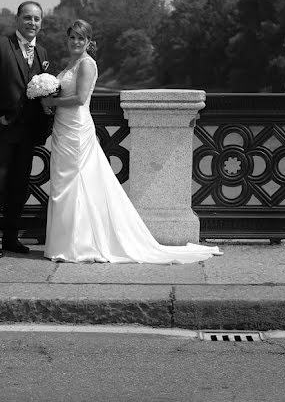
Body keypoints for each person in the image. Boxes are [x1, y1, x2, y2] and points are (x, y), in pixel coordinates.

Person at [40, 19, 221, 263]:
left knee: (76, 182)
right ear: (67, 39)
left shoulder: (86, 64)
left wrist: (50, 102)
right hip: (62, 128)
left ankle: (79, 245)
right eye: (72, 37)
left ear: (88, 41)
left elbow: (81, 98)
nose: (76, 41)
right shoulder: (69, 63)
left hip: (76, 128)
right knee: (64, 183)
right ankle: (65, 242)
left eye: (81, 38)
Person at [0, 1, 51, 258]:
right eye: (28, 18)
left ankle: (10, 238)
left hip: (28, 132)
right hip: (3, 131)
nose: (33, 23)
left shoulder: (42, 52)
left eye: (37, 19)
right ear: (17, 20)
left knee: (20, 187)